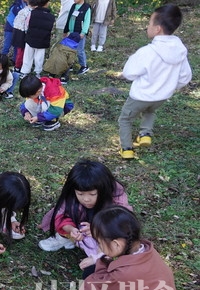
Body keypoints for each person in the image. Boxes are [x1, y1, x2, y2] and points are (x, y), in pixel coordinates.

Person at [77, 206, 177, 290]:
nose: (99, 247)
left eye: (100, 243)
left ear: (116, 244)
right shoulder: (147, 250)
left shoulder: (125, 274)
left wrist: (102, 260)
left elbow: (100, 281)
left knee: (90, 284)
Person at [118, 4, 192, 160]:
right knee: (150, 110)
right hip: (161, 98)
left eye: (149, 23)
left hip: (140, 96)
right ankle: (145, 134)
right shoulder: (179, 50)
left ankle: (126, 149)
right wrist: (170, 86)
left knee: (125, 119)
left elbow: (129, 73)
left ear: (157, 28)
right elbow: (185, 76)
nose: (147, 27)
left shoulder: (147, 52)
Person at [37, 160, 132, 275]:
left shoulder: (116, 197)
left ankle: (100, 256)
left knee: (116, 243)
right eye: (80, 194)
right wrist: (71, 229)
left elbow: (123, 221)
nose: (86, 199)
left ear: (103, 190)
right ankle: (66, 238)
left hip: (105, 231)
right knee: (63, 223)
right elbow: (61, 216)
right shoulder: (70, 196)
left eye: (92, 194)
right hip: (80, 226)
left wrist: (98, 229)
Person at [20, 0, 55, 78]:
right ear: (46, 4)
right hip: (43, 39)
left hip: (31, 37)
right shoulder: (51, 17)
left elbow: (27, 24)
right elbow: (51, 28)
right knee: (39, 57)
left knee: (28, 56)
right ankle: (37, 72)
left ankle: (24, 72)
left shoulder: (32, 13)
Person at [64, 0, 92, 74]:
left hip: (79, 33)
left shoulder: (86, 7)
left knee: (79, 50)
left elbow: (87, 21)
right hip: (71, 32)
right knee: (70, 49)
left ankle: (84, 66)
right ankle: (70, 64)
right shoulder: (73, 6)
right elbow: (69, 19)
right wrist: (67, 30)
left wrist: (83, 32)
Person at [11, 0, 36, 74]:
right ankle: (18, 66)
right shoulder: (29, 12)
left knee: (21, 51)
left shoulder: (23, 10)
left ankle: (19, 66)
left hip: (18, 32)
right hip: (22, 33)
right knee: (22, 51)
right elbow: (27, 25)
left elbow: (16, 22)